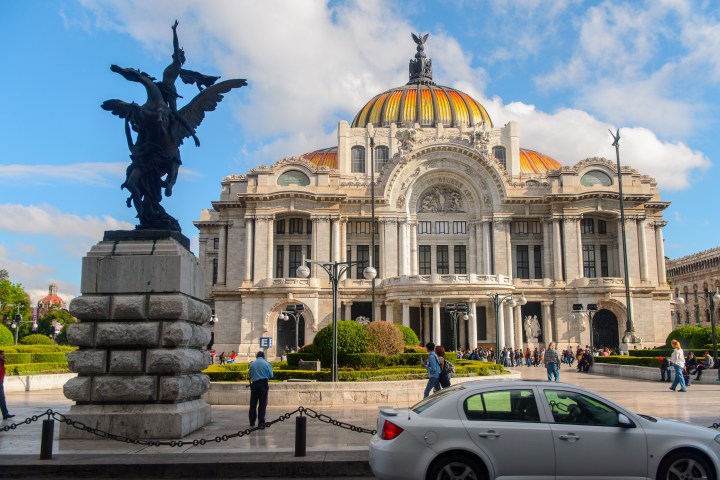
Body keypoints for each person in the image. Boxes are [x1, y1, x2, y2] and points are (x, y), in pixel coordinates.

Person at [248, 351, 274, 426]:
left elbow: (250, 374)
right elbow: (271, 375)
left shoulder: (252, 364)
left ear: (256, 356)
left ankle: (252, 421)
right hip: (263, 384)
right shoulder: (267, 364)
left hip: (254, 384)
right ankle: (261, 422)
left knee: (253, 403)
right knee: (262, 403)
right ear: (263, 356)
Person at [0, 351, 14, 420]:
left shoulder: (2, 363)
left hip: (0, 383)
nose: (3, 356)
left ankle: (5, 414)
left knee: (2, 399)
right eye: (2, 354)